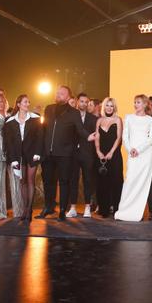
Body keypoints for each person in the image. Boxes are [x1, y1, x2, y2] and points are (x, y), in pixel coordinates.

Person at [37, 86, 96, 221]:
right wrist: (41, 149)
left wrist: (88, 136)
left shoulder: (74, 113)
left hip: (64, 154)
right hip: (48, 153)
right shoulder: (49, 109)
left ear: (68, 97)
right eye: (57, 92)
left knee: (64, 182)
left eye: (62, 93)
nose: (58, 94)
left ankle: (63, 210)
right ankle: (48, 207)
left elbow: (80, 129)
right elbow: (44, 129)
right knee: (48, 182)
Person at [115, 95, 152, 221]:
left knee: (143, 183)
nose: (135, 104)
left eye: (138, 102)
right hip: (132, 154)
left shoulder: (150, 120)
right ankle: (124, 211)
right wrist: (130, 149)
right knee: (130, 180)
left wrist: (139, 149)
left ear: (144, 104)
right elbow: (125, 136)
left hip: (145, 154)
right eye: (135, 102)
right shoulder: (129, 117)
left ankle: (137, 212)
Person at [4, 95, 43, 222]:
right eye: (25, 102)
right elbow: (9, 142)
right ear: (19, 104)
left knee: (30, 180)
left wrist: (37, 153)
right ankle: (25, 209)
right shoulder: (10, 121)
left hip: (32, 154)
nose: (28, 104)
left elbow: (40, 137)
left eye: (28, 102)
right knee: (22, 182)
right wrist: (13, 159)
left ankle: (29, 209)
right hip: (18, 155)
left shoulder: (35, 118)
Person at [66, 93, 98, 218]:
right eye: (82, 101)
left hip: (87, 153)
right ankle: (73, 208)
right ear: (77, 102)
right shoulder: (70, 117)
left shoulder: (93, 118)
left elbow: (94, 136)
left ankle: (87, 207)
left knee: (87, 180)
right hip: (73, 153)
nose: (84, 104)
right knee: (73, 180)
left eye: (86, 102)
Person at [94, 97, 124, 218]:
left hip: (114, 155)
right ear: (104, 107)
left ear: (114, 108)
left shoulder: (118, 120)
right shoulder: (99, 120)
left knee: (116, 182)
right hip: (101, 155)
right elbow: (97, 137)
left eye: (112, 106)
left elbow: (119, 138)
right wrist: (98, 151)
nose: (109, 108)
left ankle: (117, 209)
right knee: (102, 183)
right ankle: (104, 210)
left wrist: (111, 152)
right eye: (107, 105)